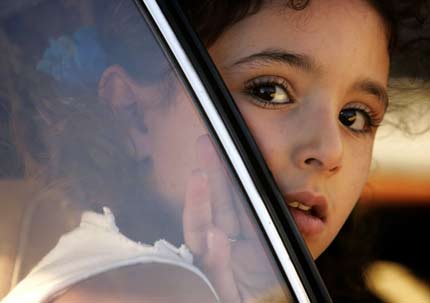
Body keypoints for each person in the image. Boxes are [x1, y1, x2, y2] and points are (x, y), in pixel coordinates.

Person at [0, 0, 411, 302]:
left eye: (354, 117)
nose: (329, 149)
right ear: (133, 113)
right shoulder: (149, 292)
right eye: (270, 91)